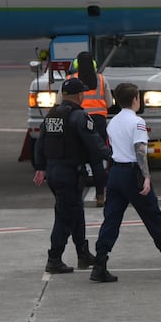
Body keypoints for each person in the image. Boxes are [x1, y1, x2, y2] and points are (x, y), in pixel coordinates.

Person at [89, 82, 161, 282]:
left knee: (111, 220)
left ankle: (99, 263)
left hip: (115, 174)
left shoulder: (112, 122)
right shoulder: (137, 123)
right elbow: (140, 152)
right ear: (136, 99)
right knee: (154, 218)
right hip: (132, 173)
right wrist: (146, 177)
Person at [33, 75, 109, 274]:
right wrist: (114, 157)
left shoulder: (51, 115)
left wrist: (40, 167)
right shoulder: (79, 116)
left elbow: (40, 143)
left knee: (76, 212)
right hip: (69, 172)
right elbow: (95, 143)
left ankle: (83, 254)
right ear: (79, 95)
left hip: (54, 170)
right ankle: (54, 258)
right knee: (65, 216)